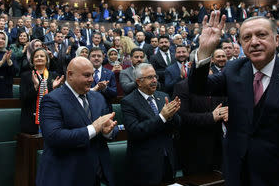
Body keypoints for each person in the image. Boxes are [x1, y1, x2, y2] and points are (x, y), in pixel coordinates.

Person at [190, 12, 279, 185]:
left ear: (276, 40)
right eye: (247, 37)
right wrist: (205, 50)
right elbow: (198, 87)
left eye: (262, 35)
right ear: (241, 44)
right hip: (240, 175)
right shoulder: (234, 69)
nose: (254, 42)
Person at [36, 57, 118, 186]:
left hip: (98, 174)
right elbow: (54, 137)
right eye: (86, 75)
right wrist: (93, 129)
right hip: (66, 175)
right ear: (70, 75)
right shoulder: (52, 100)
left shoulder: (98, 97)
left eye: (92, 75)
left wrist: (108, 131)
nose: (91, 79)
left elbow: (110, 127)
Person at [121, 63, 181, 186]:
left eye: (155, 77)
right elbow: (135, 131)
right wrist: (162, 117)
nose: (154, 80)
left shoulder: (163, 96)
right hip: (144, 165)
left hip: (167, 160)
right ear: (139, 82)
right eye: (150, 77)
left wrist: (172, 115)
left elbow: (178, 124)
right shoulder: (128, 102)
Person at [20, 48, 63, 134]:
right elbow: (23, 100)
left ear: (47, 60)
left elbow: (59, 100)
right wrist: (35, 87)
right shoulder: (26, 76)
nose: (39, 58)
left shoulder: (54, 76)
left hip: (50, 119)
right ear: (32, 60)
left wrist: (53, 88)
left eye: (42, 56)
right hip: (30, 120)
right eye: (36, 56)